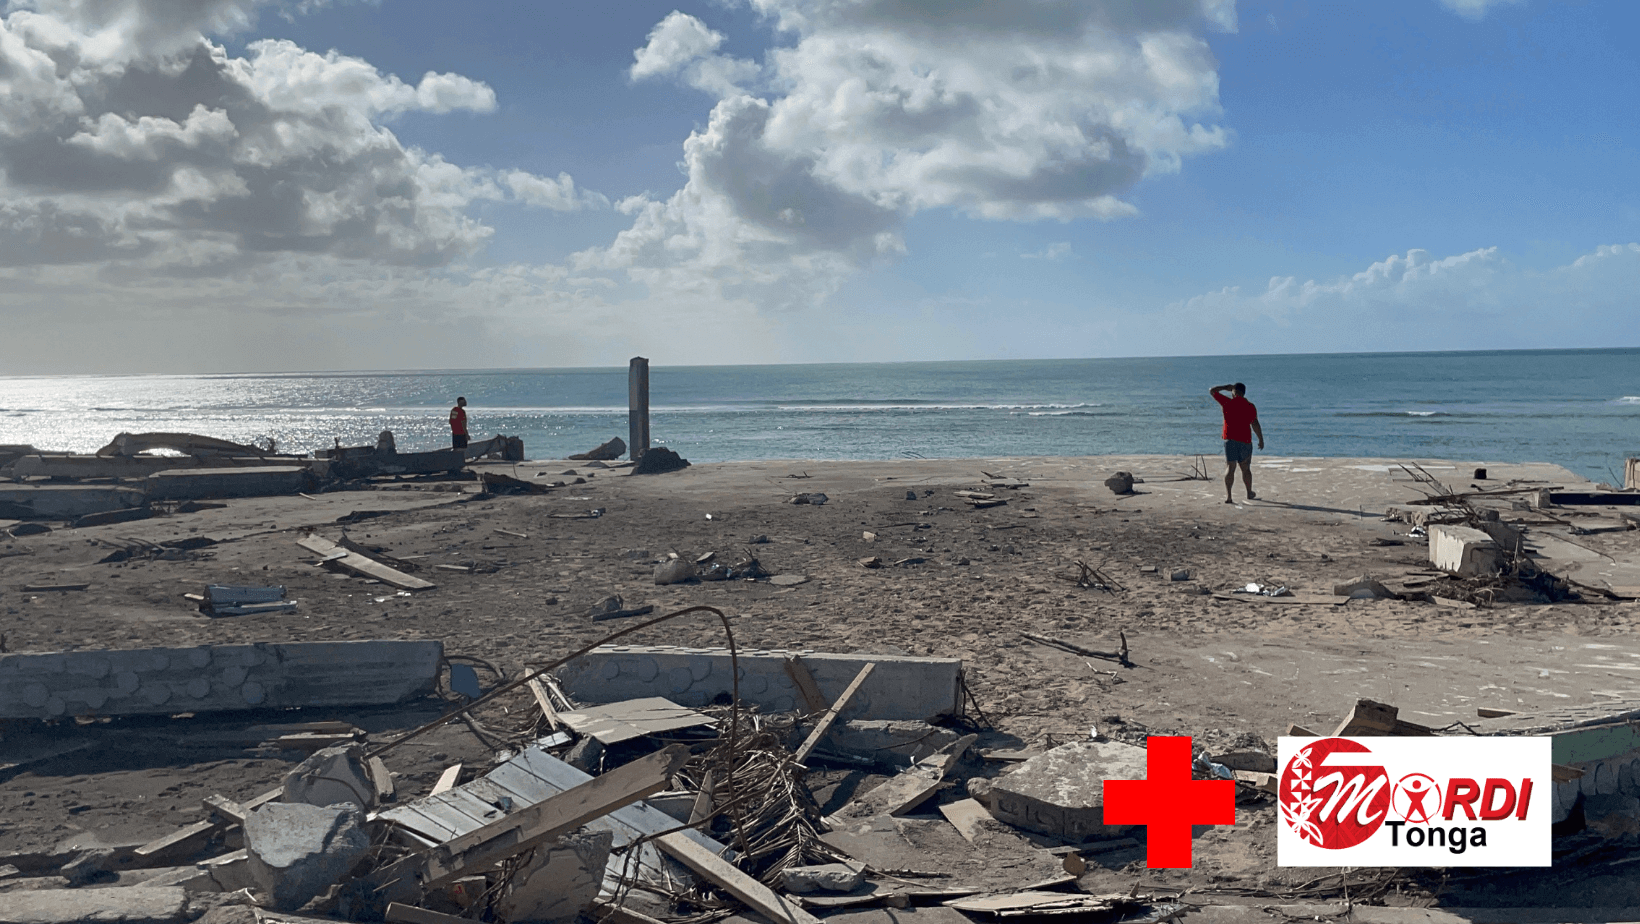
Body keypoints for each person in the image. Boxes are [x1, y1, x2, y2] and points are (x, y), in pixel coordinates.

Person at [1210, 382, 1263, 504]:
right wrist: (1260, 439)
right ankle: (1249, 492)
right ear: (1244, 393)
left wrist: (1225, 388)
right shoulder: (1250, 406)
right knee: (1245, 468)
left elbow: (1212, 391)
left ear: (1233, 391)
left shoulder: (1227, 402)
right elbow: (1255, 424)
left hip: (1230, 440)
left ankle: (1229, 496)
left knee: (1230, 467)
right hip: (1245, 441)